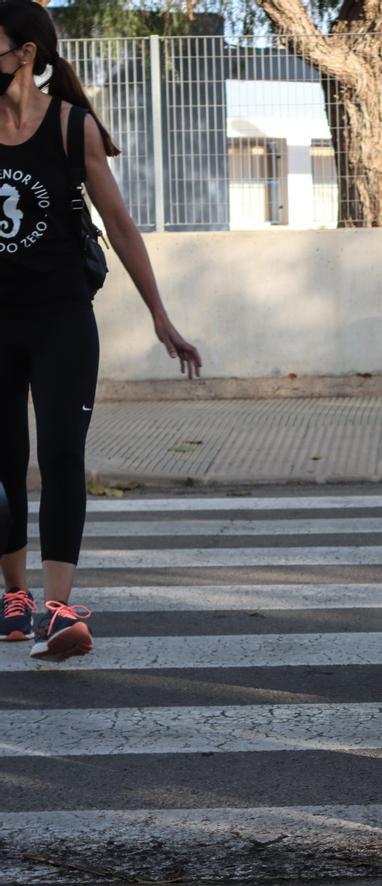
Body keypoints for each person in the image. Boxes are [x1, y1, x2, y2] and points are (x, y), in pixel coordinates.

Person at [0, 0, 202, 661]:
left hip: (62, 319)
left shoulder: (71, 126)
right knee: (4, 461)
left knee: (61, 454)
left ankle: (58, 611)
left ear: (25, 53)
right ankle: (14, 597)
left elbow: (119, 225)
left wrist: (160, 315)